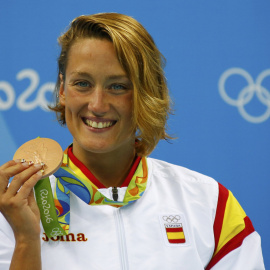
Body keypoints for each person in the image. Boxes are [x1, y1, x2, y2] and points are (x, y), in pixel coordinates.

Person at [0, 13, 265, 270]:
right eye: (82, 83)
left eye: (118, 86)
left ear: (147, 93)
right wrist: (26, 240)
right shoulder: (13, 208)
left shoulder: (210, 203)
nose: (97, 105)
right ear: (62, 90)